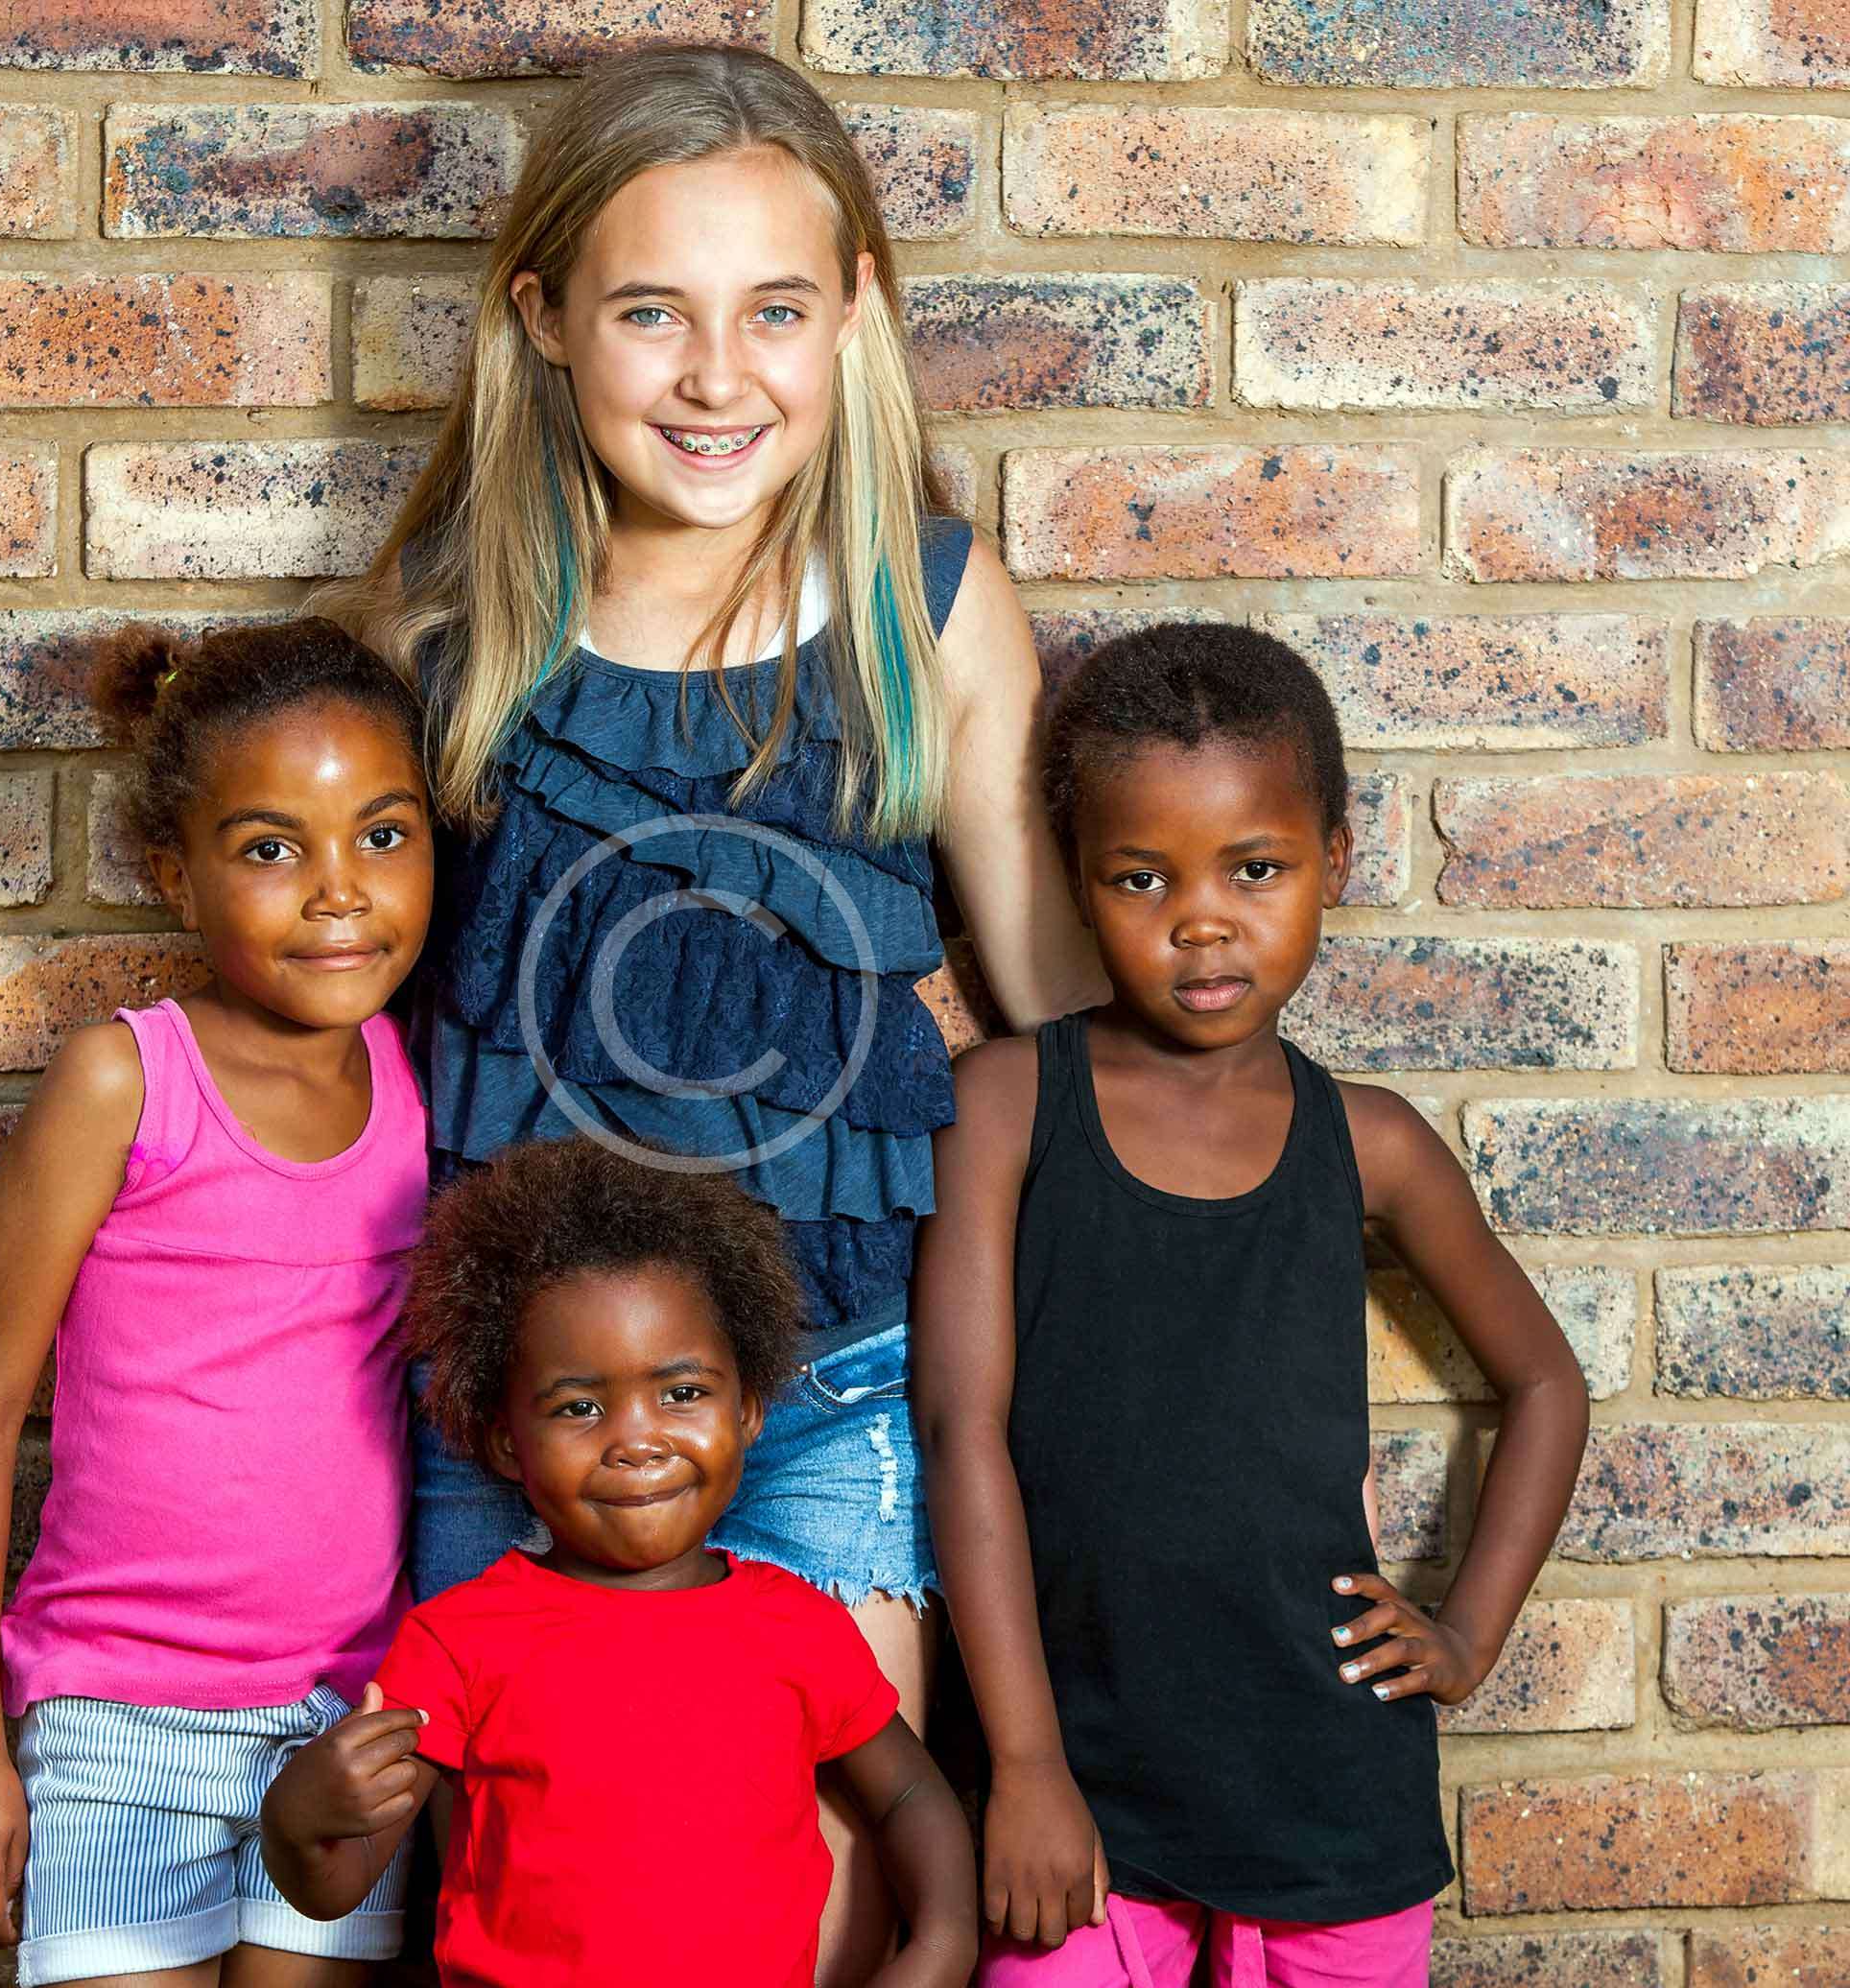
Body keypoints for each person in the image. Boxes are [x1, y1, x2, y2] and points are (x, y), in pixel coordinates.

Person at [318, 47, 1093, 1973]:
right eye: (653, 312)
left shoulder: (928, 604)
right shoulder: (445, 632)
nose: (716, 376)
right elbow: (345, 1054)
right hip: (518, 1413)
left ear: (858, 316)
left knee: (796, 1915)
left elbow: (1064, 1020)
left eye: (776, 312)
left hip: (834, 1380)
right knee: (545, 1910)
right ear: (544, 319)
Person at [912, 624, 1593, 1987]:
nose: (1203, 920)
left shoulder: (1375, 1142)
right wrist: (1026, 1763)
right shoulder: (1003, 1107)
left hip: (1329, 1780)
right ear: (1077, 880)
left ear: (1334, 859)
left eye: (1256, 868)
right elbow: (958, 1433)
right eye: (1142, 876)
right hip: (1079, 1780)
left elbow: (1548, 1385)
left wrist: (1467, 1632)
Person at [0, 618, 436, 1987]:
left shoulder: (424, 1086)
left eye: (384, 836)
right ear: (174, 875)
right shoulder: (124, 1082)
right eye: (270, 850)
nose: (339, 892)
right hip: (120, 1719)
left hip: (343, 1721)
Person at [260, 1138, 978, 1988]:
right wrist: (297, 1821)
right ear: (504, 1442)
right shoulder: (456, 1643)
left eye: (682, 1393)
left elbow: (908, 1794)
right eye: (580, 1407)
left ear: (748, 1410)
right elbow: (335, 1886)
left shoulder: (799, 1626)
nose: (636, 1440)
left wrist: (941, 1946)